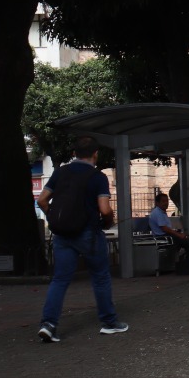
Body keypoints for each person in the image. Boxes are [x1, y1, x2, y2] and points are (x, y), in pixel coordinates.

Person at [37, 137, 127, 342]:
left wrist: (53, 216)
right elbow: (104, 209)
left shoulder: (60, 173)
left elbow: (42, 200)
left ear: (74, 153)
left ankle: (48, 324)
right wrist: (108, 220)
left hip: (62, 235)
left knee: (60, 280)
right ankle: (109, 322)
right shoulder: (97, 177)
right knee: (100, 277)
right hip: (88, 234)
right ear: (95, 154)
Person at [148, 192, 189, 271]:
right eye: (163, 201)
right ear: (157, 203)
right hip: (162, 237)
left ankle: (188, 263)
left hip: (167, 236)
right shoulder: (157, 213)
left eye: (167, 201)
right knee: (188, 243)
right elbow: (164, 228)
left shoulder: (162, 212)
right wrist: (178, 235)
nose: (166, 203)